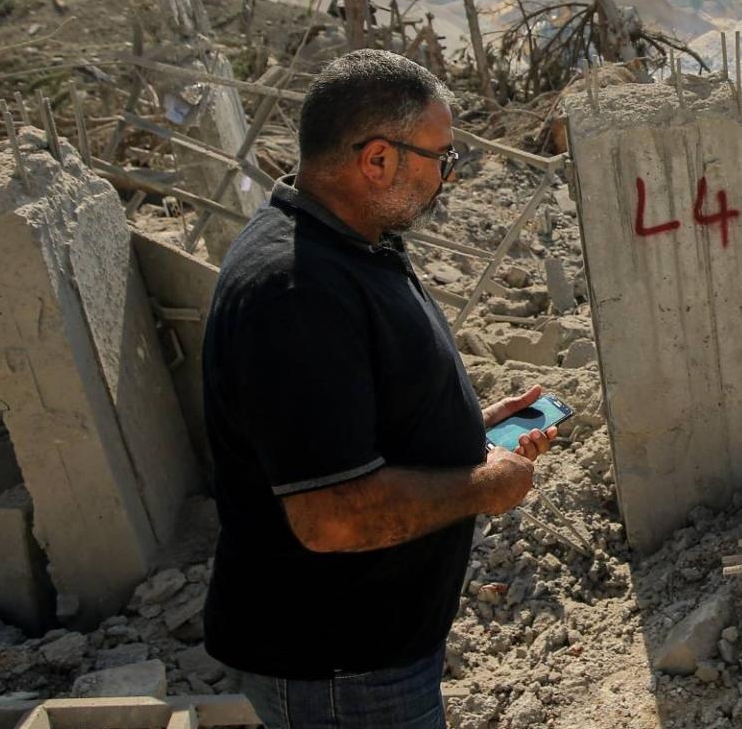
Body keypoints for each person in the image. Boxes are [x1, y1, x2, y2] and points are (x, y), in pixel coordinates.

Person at [201, 49, 554, 728]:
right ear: (378, 160)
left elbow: (346, 417)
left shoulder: (350, 242)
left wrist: (468, 430)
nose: (447, 176)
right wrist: (486, 485)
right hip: (341, 669)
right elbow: (333, 517)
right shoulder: (296, 290)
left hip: (367, 656)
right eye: (441, 157)